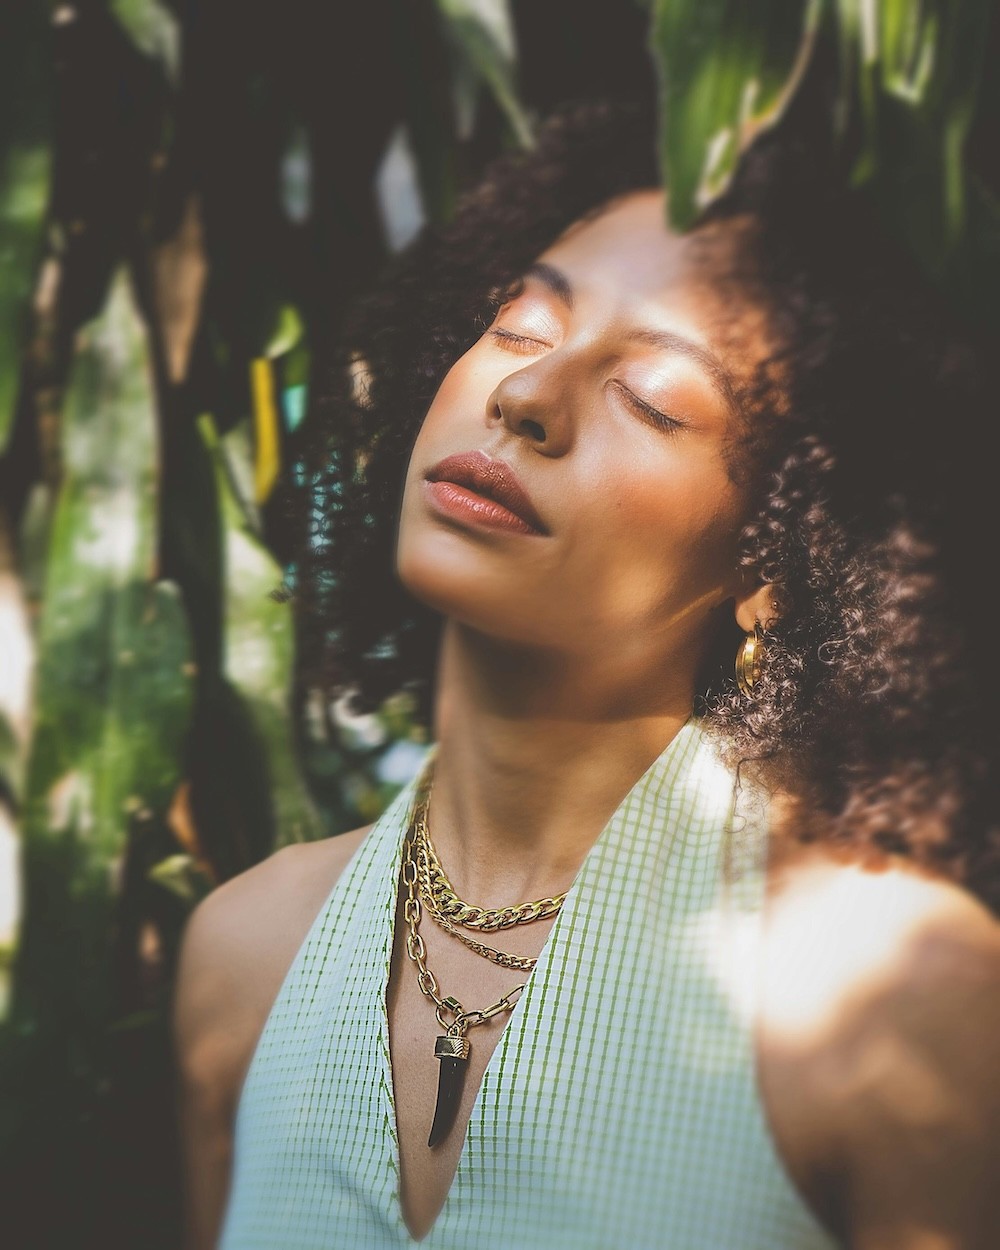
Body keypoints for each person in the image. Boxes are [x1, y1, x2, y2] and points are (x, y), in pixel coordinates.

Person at [170, 75, 1000, 1250]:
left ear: (777, 556)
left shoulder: (890, 988)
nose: (524, 394)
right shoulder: (244, 953)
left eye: (654, 401)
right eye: (518, 327)